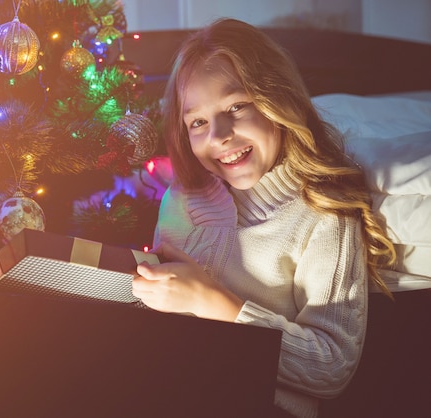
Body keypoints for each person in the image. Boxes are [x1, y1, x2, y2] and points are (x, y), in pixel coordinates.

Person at [132, 18, 396, 418]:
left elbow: (331, 366)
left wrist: (216, 304)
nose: (219, 134)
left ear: (278, 101)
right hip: (165, 387)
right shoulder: (180, 197)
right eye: (197, 122)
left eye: (236, 106)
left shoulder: (325, 211)